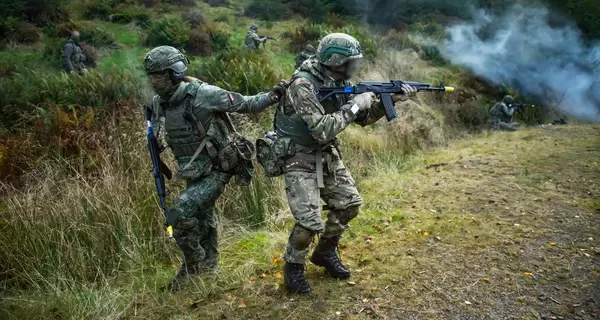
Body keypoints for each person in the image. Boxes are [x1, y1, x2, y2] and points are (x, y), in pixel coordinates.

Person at [272, 33, 418, 294]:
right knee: (308, 223)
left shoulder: (337, 80)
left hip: (326, 154)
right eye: (351, 61)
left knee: (350, 204)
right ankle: (293, 268)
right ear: (336, 61)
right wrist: (353, 107)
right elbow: (321, 130)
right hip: (298, 155)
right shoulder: (302, 85)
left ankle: (325, 253)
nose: (355, 66)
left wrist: (390, 102)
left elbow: (363, 120)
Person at [143, 46, 287, 290]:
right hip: (192, 171)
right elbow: (156, 128)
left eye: (156, 76)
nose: (152, 82)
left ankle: (192, 268)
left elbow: (246, 104)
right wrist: (155, 138)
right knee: (202, 219)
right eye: (150, 76)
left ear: (174, 73)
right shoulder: (160, 103)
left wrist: (273, 95)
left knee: (178, 214)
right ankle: (209, 269)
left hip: (219, 168)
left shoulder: (203, 94)